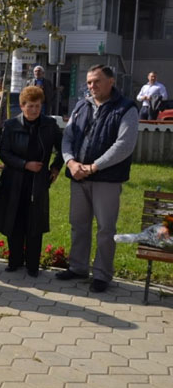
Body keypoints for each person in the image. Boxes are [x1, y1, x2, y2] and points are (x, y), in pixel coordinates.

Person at [57, 64, 139, 293]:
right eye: (89, 82)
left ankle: (102, 274)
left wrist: (94, 167)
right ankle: (78, 267)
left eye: (97, 81)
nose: (92, 86)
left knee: (105, 229)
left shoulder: (126, 108)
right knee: (78, 225)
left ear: (111, 81)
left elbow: (124, 145)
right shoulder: (81, 106)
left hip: (107, 179)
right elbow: (68, 137)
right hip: (78, 176)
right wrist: (70, 162)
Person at [0, 86, 63, 276]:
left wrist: (56, 167)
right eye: (30, 106)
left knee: (34, 222)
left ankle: (33, 265)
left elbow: (64, 147)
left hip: (38, 181)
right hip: (14, 180)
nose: (34, 110)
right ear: (22, 106)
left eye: (38, 106)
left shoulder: (49, 125)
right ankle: (14, 260)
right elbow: (4, 152)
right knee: (15, 219)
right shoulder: (11, 125)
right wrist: (25, 164)